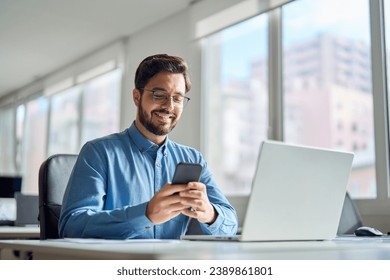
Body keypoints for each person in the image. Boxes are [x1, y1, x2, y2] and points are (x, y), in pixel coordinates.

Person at [59, 54, 238, 239]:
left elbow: (231, 225)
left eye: (177, 98)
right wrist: (145, 215)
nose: (169, 106)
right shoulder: (98, 153)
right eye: (159, 95)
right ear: (137, 97)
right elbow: (72, 226)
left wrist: (210, 213)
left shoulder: (193, 160)